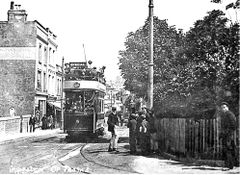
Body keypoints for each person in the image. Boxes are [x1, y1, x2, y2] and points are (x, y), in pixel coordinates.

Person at [219, 102, 237, 169]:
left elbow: (233, 125)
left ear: (227, 107)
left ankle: (230, 166)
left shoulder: (229, 114)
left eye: (224, 107)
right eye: (222, 108)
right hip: (226, 134)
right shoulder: (224, 115)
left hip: (228, 134)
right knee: (228, 149)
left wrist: (227, 132)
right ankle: (230, 165)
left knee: (228, 149)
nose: (223, 109)